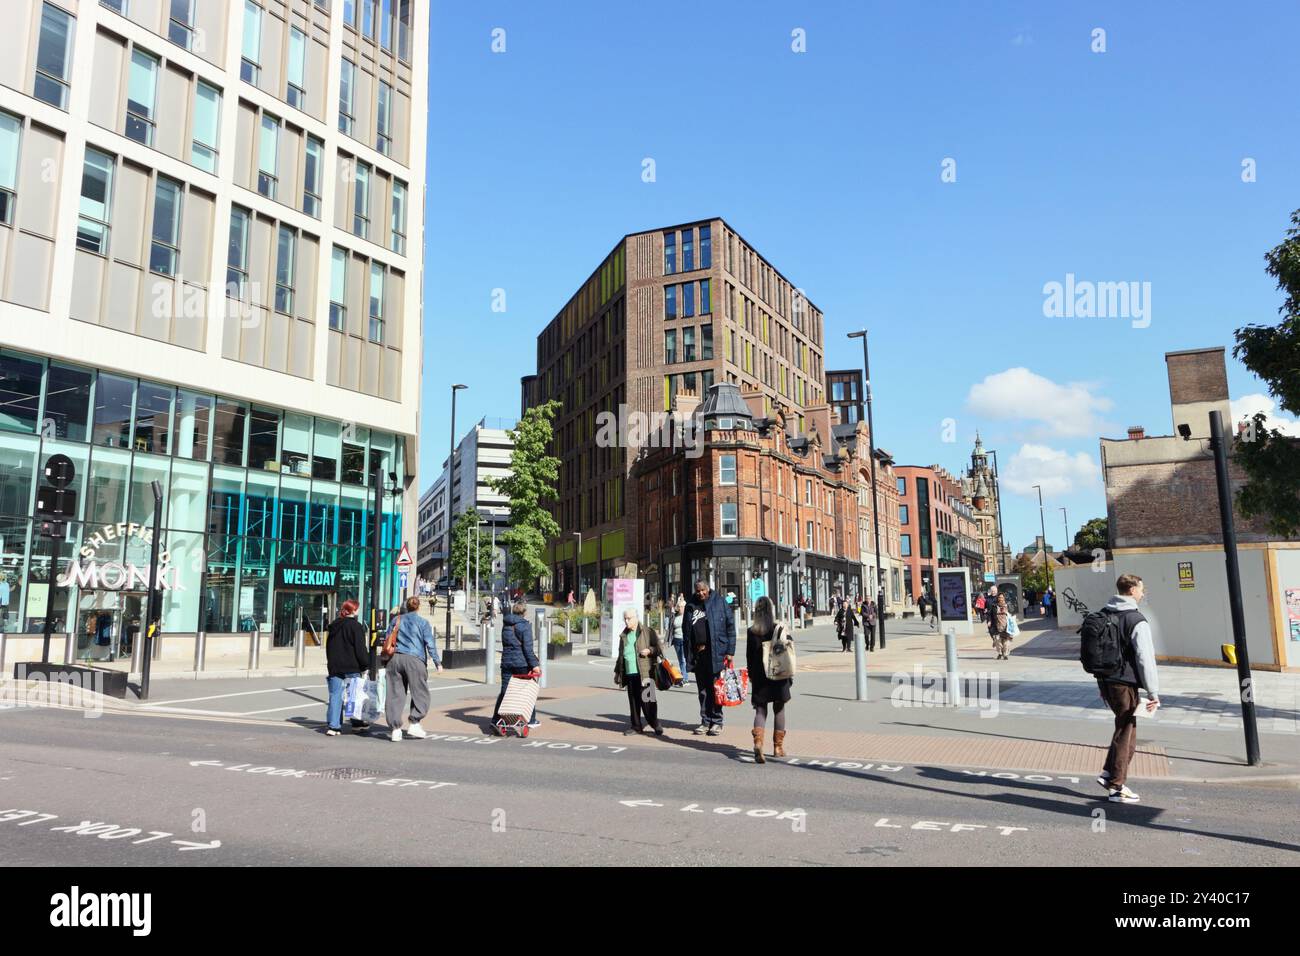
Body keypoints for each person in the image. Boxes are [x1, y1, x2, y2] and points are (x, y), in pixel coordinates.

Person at [1096, 574, 1160, 803]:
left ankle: (1107, 774)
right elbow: (1145, 658)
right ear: (1132, 590)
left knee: (1125, 727)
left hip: (1106, 680)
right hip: (1124, 682)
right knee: (1126, 731)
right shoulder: (1136, 620)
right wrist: (1153, 692)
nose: (1143, 593)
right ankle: (1116, 786)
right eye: (1141, 589)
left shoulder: (1104, 613)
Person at [384, 596, 442, 741]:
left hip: (395, 659)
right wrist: (437, 662)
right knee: (420, 692)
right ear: (418, 607)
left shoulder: (395, 620)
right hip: (415, 659)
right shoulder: (423, 622)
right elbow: (430, 643)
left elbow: (387, 638)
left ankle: (395, 729)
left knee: (394, 694)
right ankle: (414, 723)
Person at [687, 579, 737, 736]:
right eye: (698, 591)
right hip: (699, 655)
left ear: (708, 589)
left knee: (716, 688)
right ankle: (705, 721)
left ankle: (716, 721)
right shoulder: (691, 605)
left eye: (703, 590)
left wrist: (730, 651)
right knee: (702, 690)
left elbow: (731, 628)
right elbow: (686, 631)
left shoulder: (720, 602)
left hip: (716, 652)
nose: (701, 593)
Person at [747, 595, 793, 763]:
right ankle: (777, 747)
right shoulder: (777, 628)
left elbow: (749, 657)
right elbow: (788, 648)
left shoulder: (751, 631)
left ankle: (758, 742)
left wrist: (751, 675)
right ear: (771, 610)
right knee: (779, 709)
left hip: (760, 675)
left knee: (760, 710)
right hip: (778, 673)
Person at [613, 608, 666, 735]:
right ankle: (636, 726)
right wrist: (617, 672)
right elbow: (621, 655)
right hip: (630, 673)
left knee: (649, 701)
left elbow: (659, 648)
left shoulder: (648, 632)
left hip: (646, 672)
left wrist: (650, 651)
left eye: (629, 618)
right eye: (625, 618)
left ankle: (655, 723)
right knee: (634, 701)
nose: (626, 621)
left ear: (636, 618)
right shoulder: (624, 635)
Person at [491, 601, 541, 732]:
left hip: (506, 662)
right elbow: (527, 649)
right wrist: (535, 665)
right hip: (522, 663)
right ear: (524, 612)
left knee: (505, 691)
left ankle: (496, 718)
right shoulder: (525, 626)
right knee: (528, 690)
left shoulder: (506, 624)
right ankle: (530, 719)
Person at [324, 599, 371, 736]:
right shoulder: (356, 626)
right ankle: (356, 722)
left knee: (335, 695)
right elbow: (360, 649)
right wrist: (365, 665)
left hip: (335, 666)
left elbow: (329, 647)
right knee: (353, 697)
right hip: (352, 666)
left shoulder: (333, 626)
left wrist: (330, 663)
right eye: (357, 608)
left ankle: (333, 726)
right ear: (354, 610)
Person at [670, 596, 689, 687]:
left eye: (682, 607)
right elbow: (671, 628)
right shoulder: (675, 616)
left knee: (683, 659)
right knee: (680, 659)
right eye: (679, 606)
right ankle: (684, 677)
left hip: (684, 639)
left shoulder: (687, 616)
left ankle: (685, 679)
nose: (681, 608)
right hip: (676, 639)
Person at [988, 593, 1012, 659]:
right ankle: (1000, 653)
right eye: (999, 597)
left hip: (1006, 626)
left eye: (1002, 597)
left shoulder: (1008, 605)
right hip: (997, 625)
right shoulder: (994, 606)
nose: (1000, 599)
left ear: (1004, 598)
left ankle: (1005, 654)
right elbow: (990, 614)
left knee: (1006, 642)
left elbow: (1012, 612)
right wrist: (989, 621)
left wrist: (1008, 612)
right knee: (997, 641)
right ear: (997, 598)